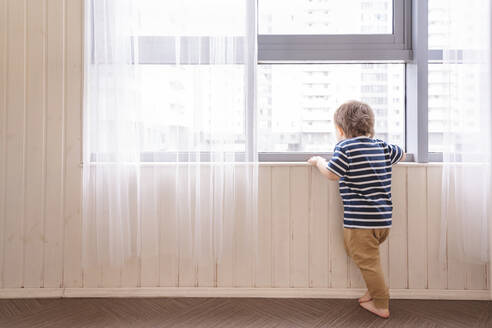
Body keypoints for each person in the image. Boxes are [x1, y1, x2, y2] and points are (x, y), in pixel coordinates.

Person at [308, 100, 405, 319]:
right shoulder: (381, 146)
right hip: (382, 220)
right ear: (370, 126)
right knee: (364, 257)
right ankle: (373, 291)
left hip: (360, 222)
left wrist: (318, 162)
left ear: (340, 130)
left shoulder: (345, 147)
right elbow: (401, 154)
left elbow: (332, 173)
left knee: (368, 262)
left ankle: (381, 303)